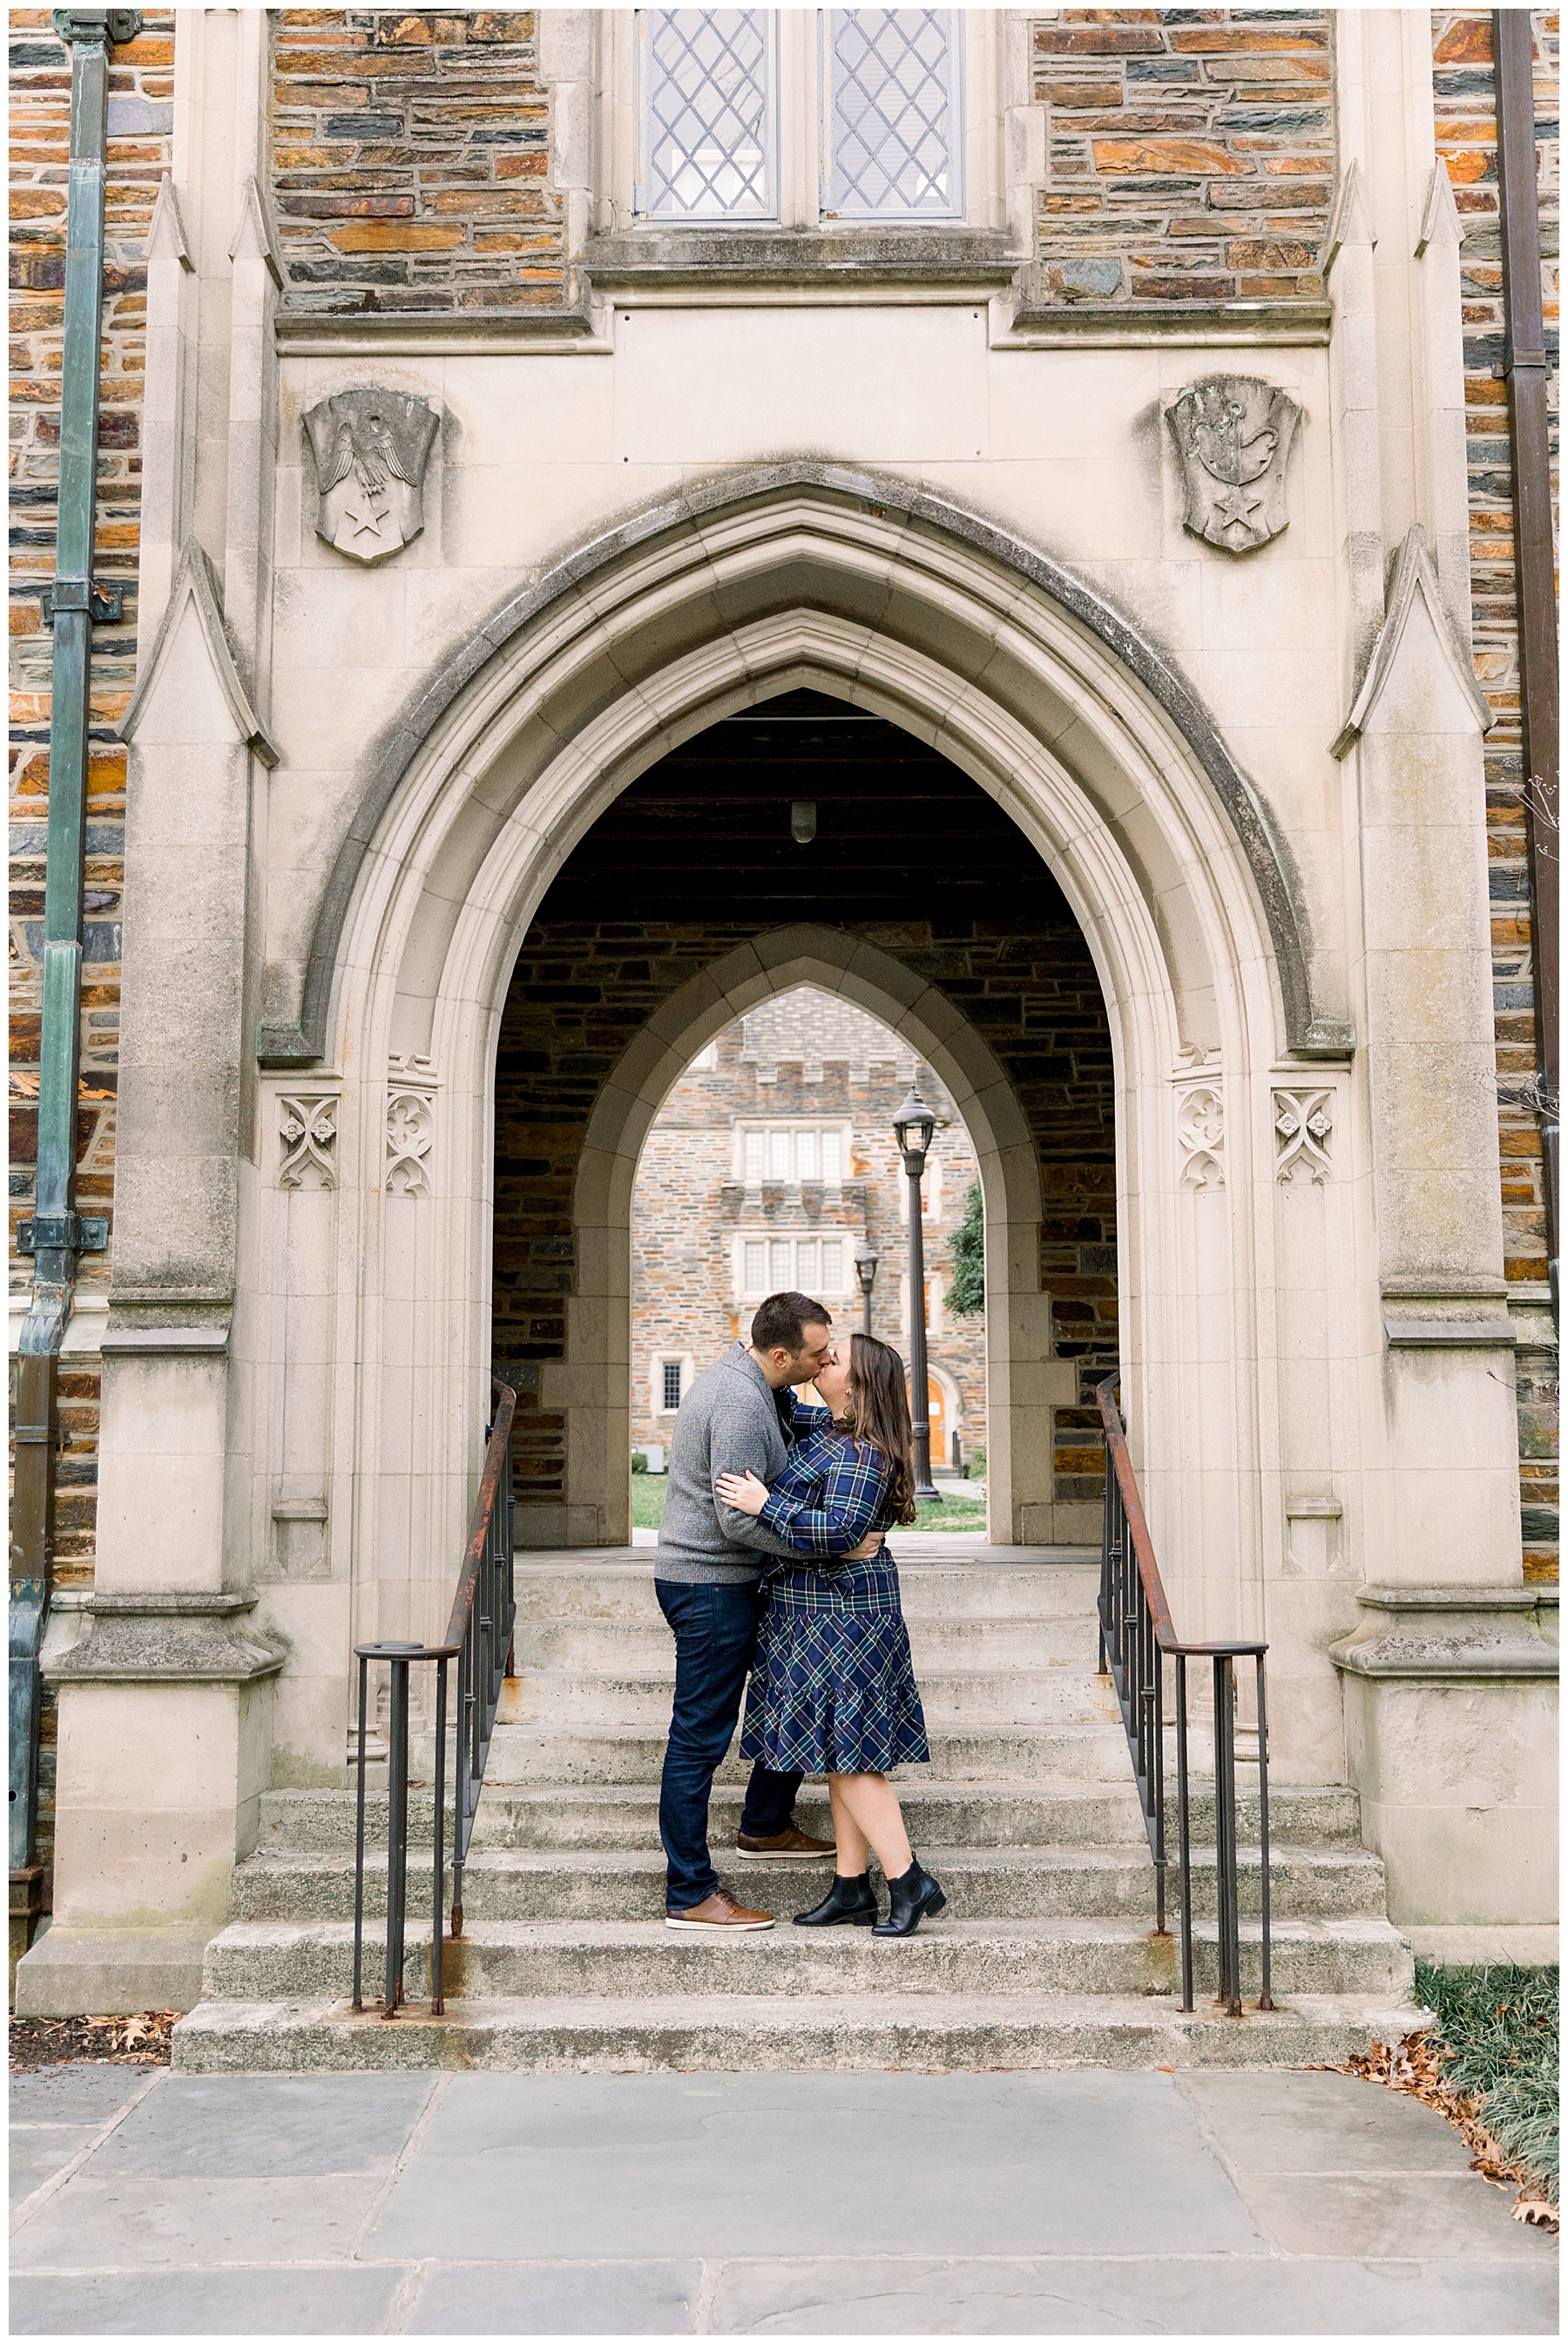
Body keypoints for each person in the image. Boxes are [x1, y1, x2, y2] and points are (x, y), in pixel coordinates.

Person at [654, 1291, 876, 1934]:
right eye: (818, 1354)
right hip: (710, 1587)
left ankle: (766, 1823)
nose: (827, 1360)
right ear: (780, 1354)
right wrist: (828, 1545)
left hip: (732, 1583)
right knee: (698, 1739)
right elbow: (734, 1517)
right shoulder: (739, 1402)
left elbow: (803, 1437)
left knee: (792, 1692)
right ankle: (690, 1891)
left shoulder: (760, 1385)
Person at [716, 1330, 947, 1937]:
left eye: (835, 1357)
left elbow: (841, 1529)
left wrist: (766, 1504)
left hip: (844, 1620)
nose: (824, 1361)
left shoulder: (862, 1451)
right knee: (838, 1753)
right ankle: (850, 1889)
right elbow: (777, 1400)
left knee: (852, 1757)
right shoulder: (832, 1432)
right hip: (814, 1613)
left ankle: (907, 1878)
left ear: (859, 1383)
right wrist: (754, 1349)